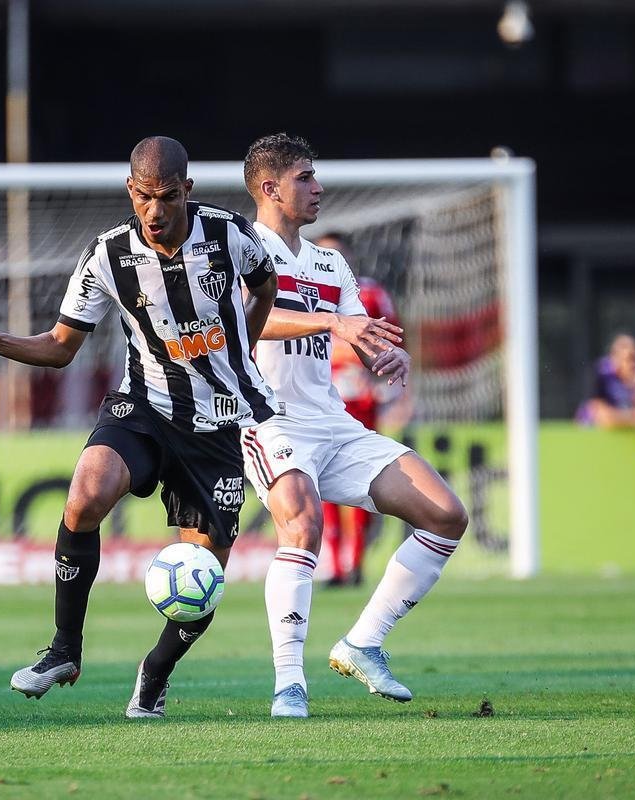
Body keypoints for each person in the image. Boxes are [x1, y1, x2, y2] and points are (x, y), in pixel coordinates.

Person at [0, 136, 278, 718]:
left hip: (221, 423)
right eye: (144, 197)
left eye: (168, 197)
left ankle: (155, 671)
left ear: (188, 191)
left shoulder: (232, 234)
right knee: (84, 496)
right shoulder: (106, 255)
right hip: (144, 407)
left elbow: (264, 286)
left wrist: (240, 351)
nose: (155, 211)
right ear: (131, 190)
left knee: (202, 577)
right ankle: (63, 649)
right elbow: (59, 347)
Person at [241, 133, 468, 717]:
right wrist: (332, 323)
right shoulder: (234, 247)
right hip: (266, 417)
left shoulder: (328, 261)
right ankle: (288, 682)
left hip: (333, 423)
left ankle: (364, 643)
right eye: (305, 178)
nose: (318, 188)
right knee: (305, 523)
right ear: (269, 188)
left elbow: (360, 335)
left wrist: (388, 355)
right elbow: (245, 324)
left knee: (446, 513)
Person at [314, 233, 400, 587]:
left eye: (338, 254)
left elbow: (390, 342)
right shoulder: (299, 293)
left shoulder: (371, 294)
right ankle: (335, 565)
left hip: (359, 402)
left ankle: (357, 563)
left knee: (362, 483)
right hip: (317, 402)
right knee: (323, 489)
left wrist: (368, 363)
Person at [576, 333, 635, 429]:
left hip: (626, 421)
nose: (630, 363)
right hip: (596, 426)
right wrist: (633, 418)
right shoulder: (601, 372)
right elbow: (599, 411)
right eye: (626, 358)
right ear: (613, 356)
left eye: (633, 357)